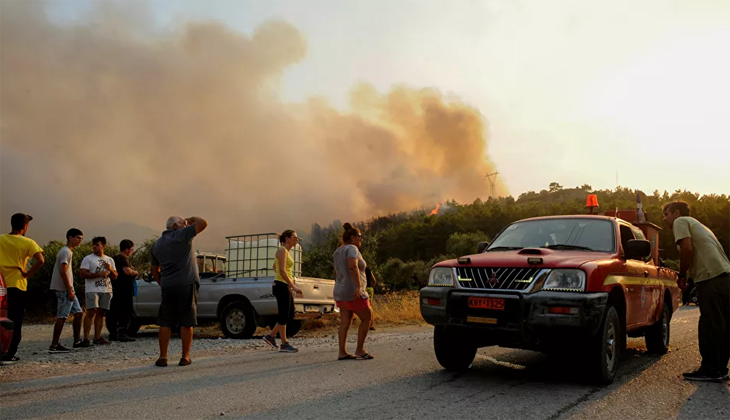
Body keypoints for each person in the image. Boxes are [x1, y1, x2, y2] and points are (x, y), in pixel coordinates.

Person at [663, 201, 730, 381]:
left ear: (676, 213)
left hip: (710, 278)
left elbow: (687, 249)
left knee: (709, 324)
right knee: (721, 324)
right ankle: (720, 368)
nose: (665, 219)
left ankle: (710, 370)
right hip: (724, 276)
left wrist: (682, 275)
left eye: (666, 214)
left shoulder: (681, 222)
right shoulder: (701, 226)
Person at [150, 216, 208, 367]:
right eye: (183, 224)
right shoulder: (182, 235)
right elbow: (203, 223)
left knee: (165, 321)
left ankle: (163, 357)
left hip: (168, 286)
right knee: (186, 322)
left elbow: (154, 269)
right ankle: (185, 357)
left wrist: (162, 282)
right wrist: (190, 219)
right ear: (175, 226)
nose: (186, 225)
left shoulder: (157, 244)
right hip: (186, 284)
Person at [0, 213, 44, 363]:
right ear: (25, 226)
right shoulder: (28, 242)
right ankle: (9, 354)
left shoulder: (0, 239)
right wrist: (27, 274)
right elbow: (40, 260)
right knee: (15, 320)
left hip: (0, 284)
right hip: (17, 285)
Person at [333, 223, 373, 360]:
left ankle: (342, 352)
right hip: (352, 291)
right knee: (367, 317)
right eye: (360, 237)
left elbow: (336, 271)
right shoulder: (352, 249)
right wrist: (358, 287)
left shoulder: (338, 251)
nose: (361, 239)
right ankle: (360, 350)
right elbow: (352, 267)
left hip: (340, 290)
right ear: (353, 237)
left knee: (345, 321)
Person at [262, 230, 303, 353]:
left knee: (288, 314)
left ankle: (274, 338)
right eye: (294, 237)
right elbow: (282, 270)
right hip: (281, 286)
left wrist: (284, 281)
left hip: (283, 284)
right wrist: (292, 285)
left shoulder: (285, 252)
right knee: (285, 315)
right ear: (287, 238)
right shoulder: (282, 250)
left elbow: (275, 267)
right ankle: (280, 341)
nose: (296, 240)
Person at [49, 228, 84, 352]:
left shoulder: (68, 251)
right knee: (62, 316)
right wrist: (69, 289)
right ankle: (54, 345)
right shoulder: (65, 252)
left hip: (68, 288)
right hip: (64, 288)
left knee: (79, 313)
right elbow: (63, 271)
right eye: (78, 238)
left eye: (81, 238)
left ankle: (77, 341)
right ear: (70, 237)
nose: (80, 240)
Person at [80, 236, 117, 346]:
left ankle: (97, 337)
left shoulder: (109, 260)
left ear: (103, 246)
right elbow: (82, 274)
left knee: (101, 313)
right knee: (91, 312)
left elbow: (115, 276)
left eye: (97, 245)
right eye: (94, 245)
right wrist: (98, 274)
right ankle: (86, 338)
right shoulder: (88, 259)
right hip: (92, 289)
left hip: (106, 289)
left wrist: (110, 269)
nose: (94, 247)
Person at [110, 239, 138, 342]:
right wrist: (135, 272)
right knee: (125, 311)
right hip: (124, 290)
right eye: (131, 249)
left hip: (114, 288)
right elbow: (127, 271)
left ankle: (113, 333)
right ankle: (122, 333)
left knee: (114, 311)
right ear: (126, 249)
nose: (131, 251)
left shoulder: (114, 258)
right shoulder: (123, 259)